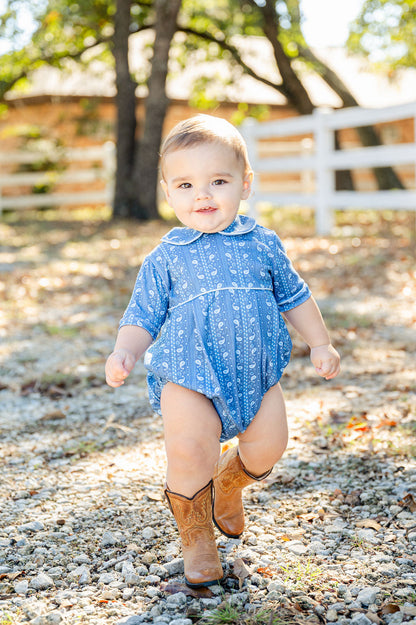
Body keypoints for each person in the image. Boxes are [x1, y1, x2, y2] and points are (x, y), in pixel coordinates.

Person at [105, 114, 341, 588]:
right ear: (168, 193)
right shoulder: (166, 257)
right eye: (186, 184)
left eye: (218, 181)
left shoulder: (263, 244)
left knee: (268, 447)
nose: (203, 195)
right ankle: (196, 538)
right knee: (189, 449)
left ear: (245, 184)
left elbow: (294, 295)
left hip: (256, 373)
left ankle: (228, 485)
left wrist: (320, 341)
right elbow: (141, 315)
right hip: (188, 377)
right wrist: (124, 351)